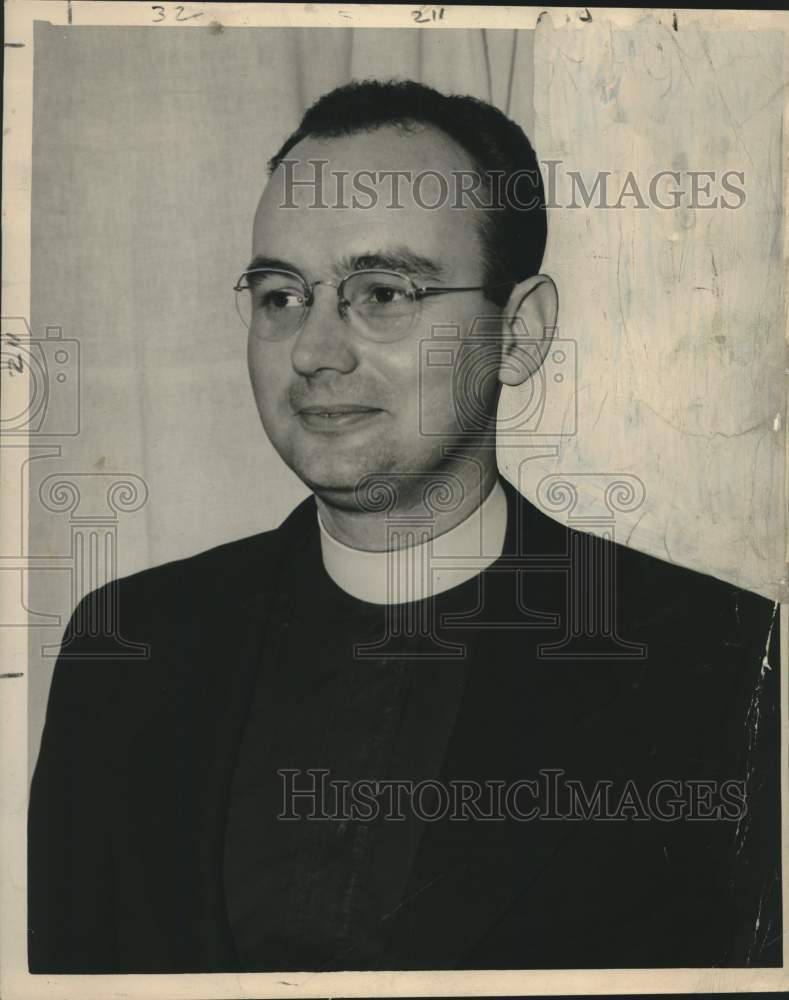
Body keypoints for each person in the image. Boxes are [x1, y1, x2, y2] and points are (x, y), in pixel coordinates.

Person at [28, 79, 781, 973]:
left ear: (520, 332)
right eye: (280, 296)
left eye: (383, 293)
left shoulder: (725, 663)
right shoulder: (126, 646)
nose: (314, 352)